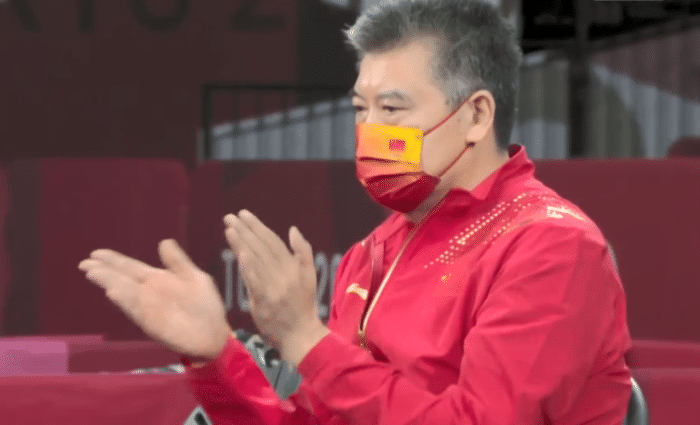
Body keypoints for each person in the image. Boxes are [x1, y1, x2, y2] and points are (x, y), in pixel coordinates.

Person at [78, 0, 632, 424]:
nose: (369, 131)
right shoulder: (374, 252)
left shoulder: (550, 248)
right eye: (361, 109)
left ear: (477, 116)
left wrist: (306, 341)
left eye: (392, 108)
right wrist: (214, 356)